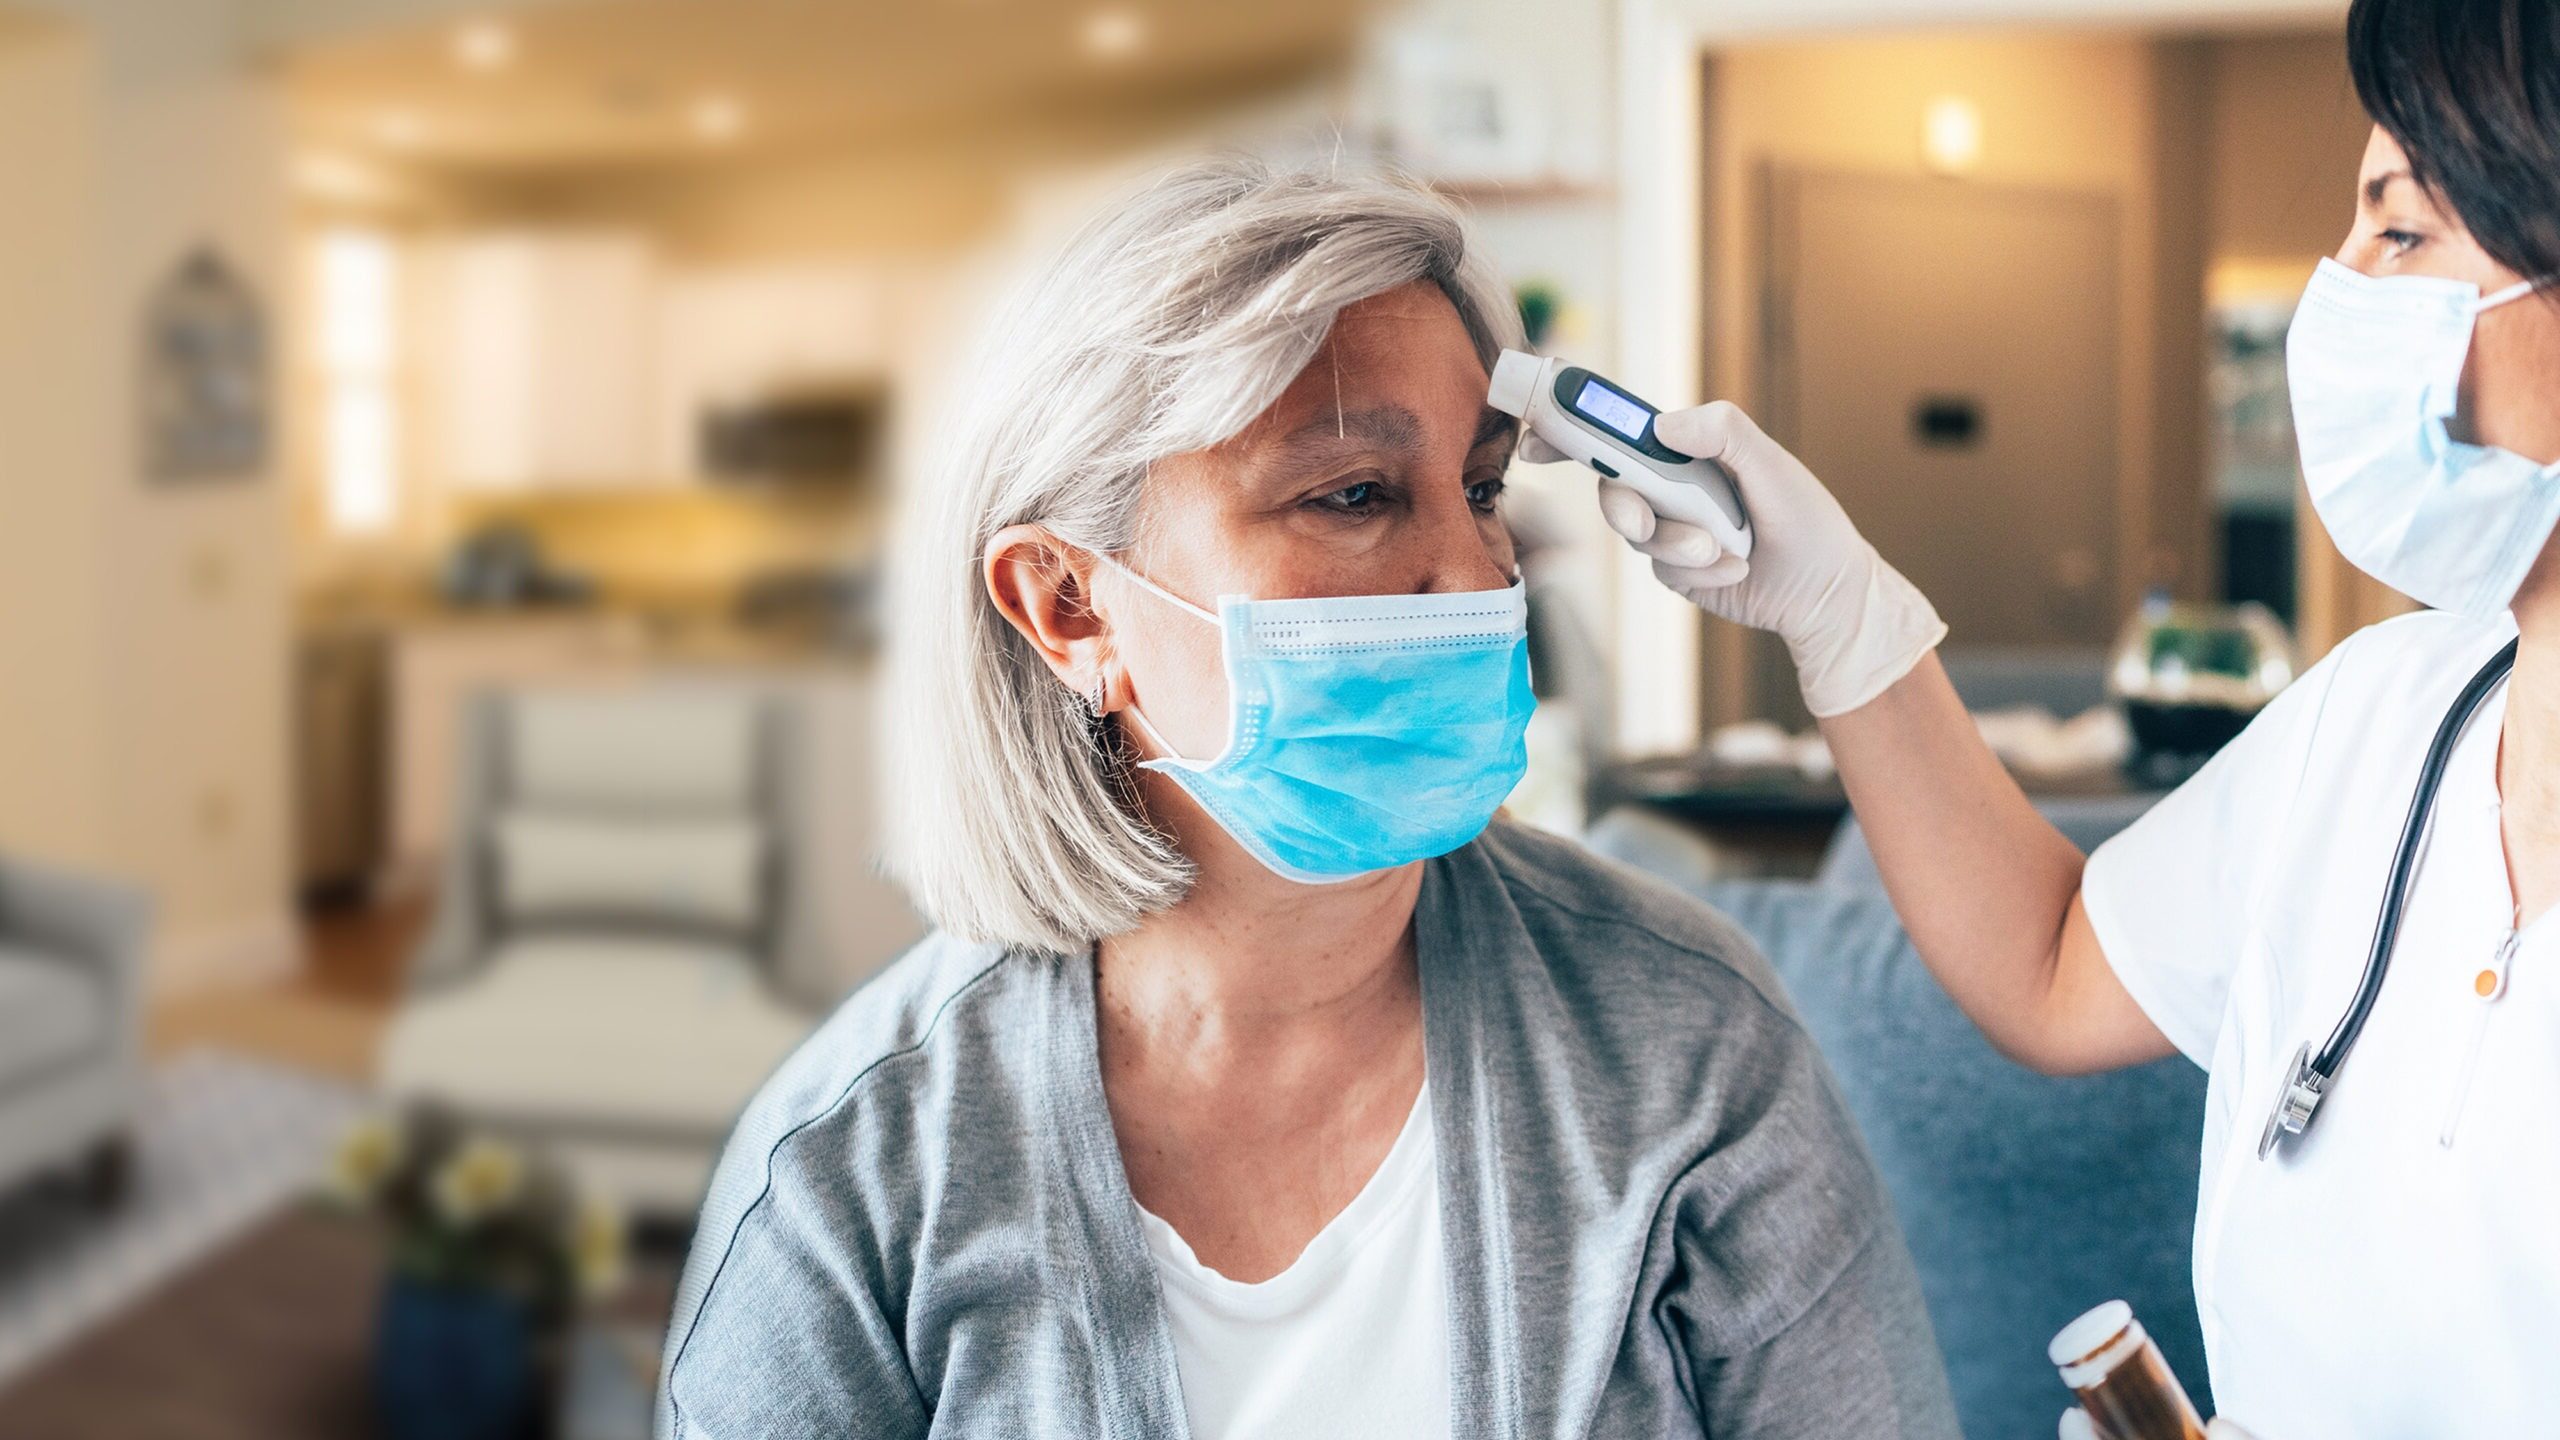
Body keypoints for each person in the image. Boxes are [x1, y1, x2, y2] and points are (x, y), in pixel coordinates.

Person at [653, 158, 1958, 1439]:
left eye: (1484, 487)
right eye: (1352, 494)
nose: (1478, 574)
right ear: (1066, 604)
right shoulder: (850, 1175)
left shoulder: (1689, 1042)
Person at [1578, 0, 2560, 1432]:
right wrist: (1842, 612)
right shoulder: (2383, 721)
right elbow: (2049, 965)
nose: (2335, 287)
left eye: (2403, 235)